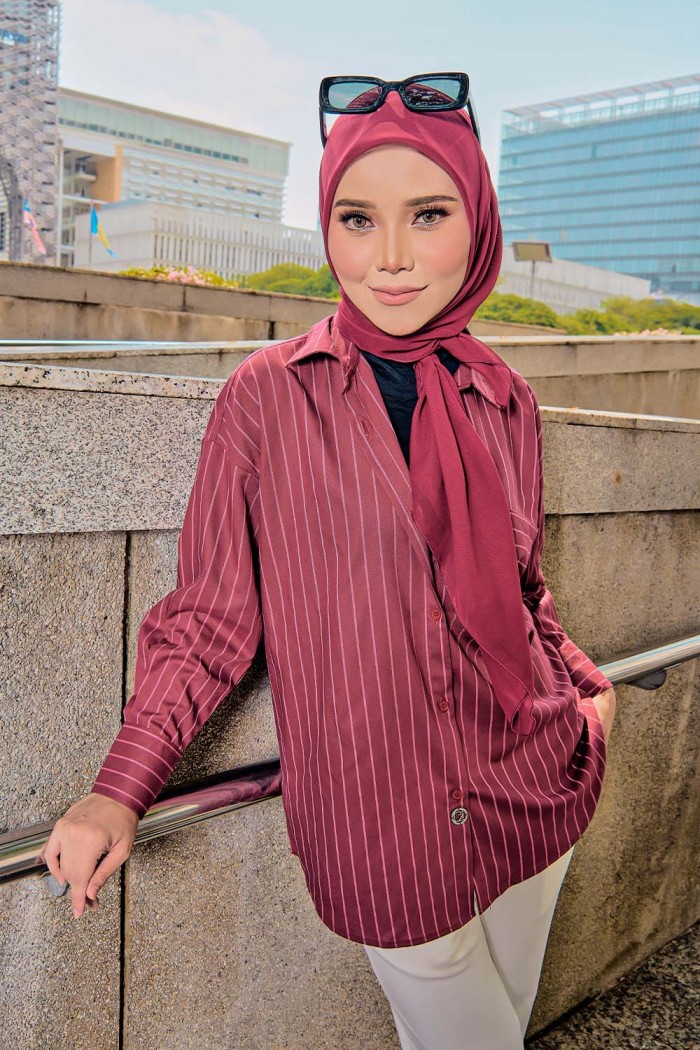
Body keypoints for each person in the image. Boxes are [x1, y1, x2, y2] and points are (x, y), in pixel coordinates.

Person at [42, 74, 616, 1049]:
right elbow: (212, 616)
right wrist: (120, 785)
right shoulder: (268, 398)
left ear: (476, 225)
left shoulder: (505, 398)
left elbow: (524, 588)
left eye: (427, 214)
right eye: (357, 219)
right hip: (385, 828)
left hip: (536, 786)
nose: (389, 256)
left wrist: (590, 690)